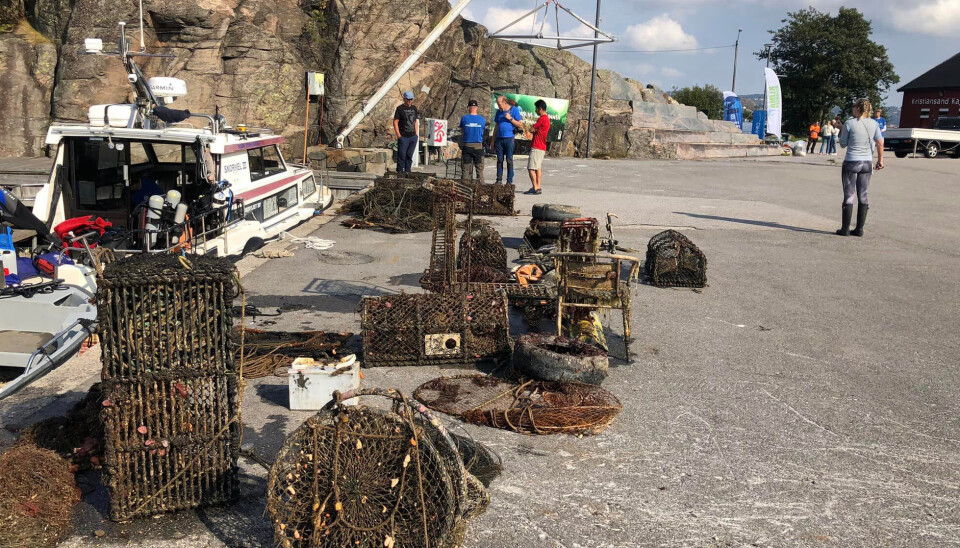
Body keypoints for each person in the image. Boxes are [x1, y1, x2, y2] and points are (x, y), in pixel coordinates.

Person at [837, 98, 884, 237]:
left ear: (858, 108)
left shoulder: (849, 123)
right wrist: (880, 160)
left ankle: (845, 229)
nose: (852, 108)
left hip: (852, 161)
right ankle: (859, 229)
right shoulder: (874, 124)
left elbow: (843, 144)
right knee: (863, 195)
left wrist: (841, 130)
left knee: (849, 195)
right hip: (867, 162)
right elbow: (880, 143)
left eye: (853, 106)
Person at [490, 95, 523, 184]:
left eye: (499, 104)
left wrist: (510, 118)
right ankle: (499, 179)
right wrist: (493, 141)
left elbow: (520, 124)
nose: (498, 105)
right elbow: (496, 127)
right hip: (499, 139)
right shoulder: (498, 112)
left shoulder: (514, 110)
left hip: (509, 138)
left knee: (509, 159)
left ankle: (509, 181)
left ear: (505, 103)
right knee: (499, 159)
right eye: (497, 104)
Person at [525, 99, 550, 195]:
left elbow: (532, 129)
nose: (535, 111)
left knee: (531, 168)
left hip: (537, 146)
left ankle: (535, 187)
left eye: (536, 109)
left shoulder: (542, 119)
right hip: (542, 146)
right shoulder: (547, 119)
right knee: (538, 167)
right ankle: (538, 186)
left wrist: (532, 128)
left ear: (540, 109)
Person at [458, 99, 486, 184]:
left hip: (467, 145)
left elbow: (462, 131)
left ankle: (465, 189)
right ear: (477, 108)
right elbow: (483, 132)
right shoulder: (482, 120)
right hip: (478, 146)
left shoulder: (464, 118)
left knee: (466, 169)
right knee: (479, 170)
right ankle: (482, 189)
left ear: (468, 108)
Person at [393, 90, 419, 173]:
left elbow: (415, 120)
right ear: (404, 99)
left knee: (409, 155)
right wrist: (399, 135)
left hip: (412, 137)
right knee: (402, 156)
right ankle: (400, 173)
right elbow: (395, 122)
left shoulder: (414, 108)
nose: (410, 101)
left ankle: (408, 172)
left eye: (411, 99)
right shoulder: (400, 109)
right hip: (403, 137)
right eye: (408, 99)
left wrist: (416, 134)